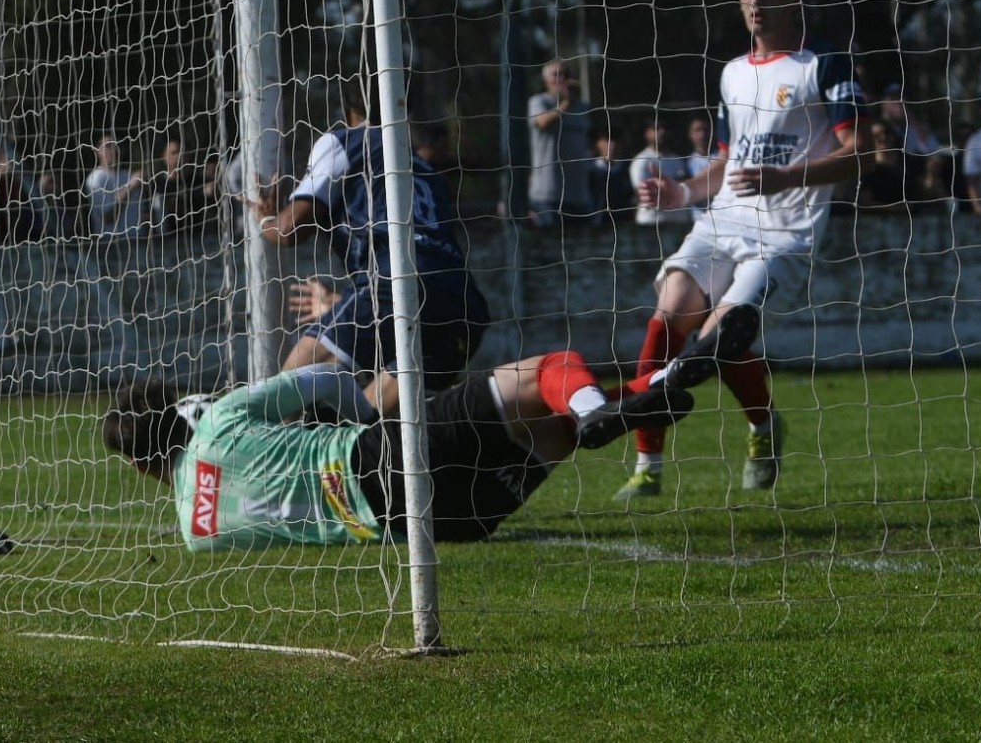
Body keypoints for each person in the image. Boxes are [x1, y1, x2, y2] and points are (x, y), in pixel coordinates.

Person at [621, 0, 871, 499]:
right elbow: (729, 162)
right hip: (722, 224)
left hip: (785, 235)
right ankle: (647, 466)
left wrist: (785, 178)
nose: (755, 0)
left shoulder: (823, 64)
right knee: (665, 324)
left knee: (718, 339)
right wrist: (681, 192)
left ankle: (761, 427)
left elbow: (861, 155)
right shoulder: (732, 72)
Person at [101, 354, 694, 550]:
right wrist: (360, 418)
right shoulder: (223, 416)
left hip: (430, 524)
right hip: (378, 453)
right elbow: (329, 375)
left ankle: (670, 377)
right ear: (177, 407)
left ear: (136, 465)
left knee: (552, 435)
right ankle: (607, 403)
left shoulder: (192, 530)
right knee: (542, 376)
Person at [252, 81, 491, 412]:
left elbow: (292, 229)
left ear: (349, 112)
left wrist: (266, 220)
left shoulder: (346, 142)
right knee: (366, 432)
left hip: (396, 285)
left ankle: (243, 455)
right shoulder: (424, 168)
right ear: (401, 107)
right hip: (465, 307)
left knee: (282, 400)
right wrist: (343, 304)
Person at [527, 59, 594, 227]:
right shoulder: (539, 102)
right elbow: (542, 122)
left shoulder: (583, 107)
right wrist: (566, 104)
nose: (562, 78)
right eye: (556, 74)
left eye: (566, 74)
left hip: (580, 196)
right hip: (549, 196)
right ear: (546, 81)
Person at [629, 117, 693, 228]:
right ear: (647, 133)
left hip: (678, 223)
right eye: (656, 128)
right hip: (651, 223)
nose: (662, 132)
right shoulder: (641, 161)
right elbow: (640, 193)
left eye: (664, 128)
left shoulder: (677, 160)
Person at [146, 135, 210, 234]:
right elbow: (146, 215)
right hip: (163, 242)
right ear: (164, 156)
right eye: (174, 153)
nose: (179, 156)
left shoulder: (197, 181)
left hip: (194, 238)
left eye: (182, 153)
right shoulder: (155, 184)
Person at [86, 135, 145, 238]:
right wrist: (130, 187)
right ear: (97, 151)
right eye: (108, 146)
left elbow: (143, 212)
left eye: (116, 145)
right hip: (111, 245)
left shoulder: (128, 174)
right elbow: (109, 216)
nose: (113, 149)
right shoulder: (96, 178)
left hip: (137, 241)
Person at [588, 130, 636, 220]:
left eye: (616, 141)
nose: (612, 145)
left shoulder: (628, 170)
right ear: (597, 144)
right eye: (607, 140)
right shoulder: (589, 171)